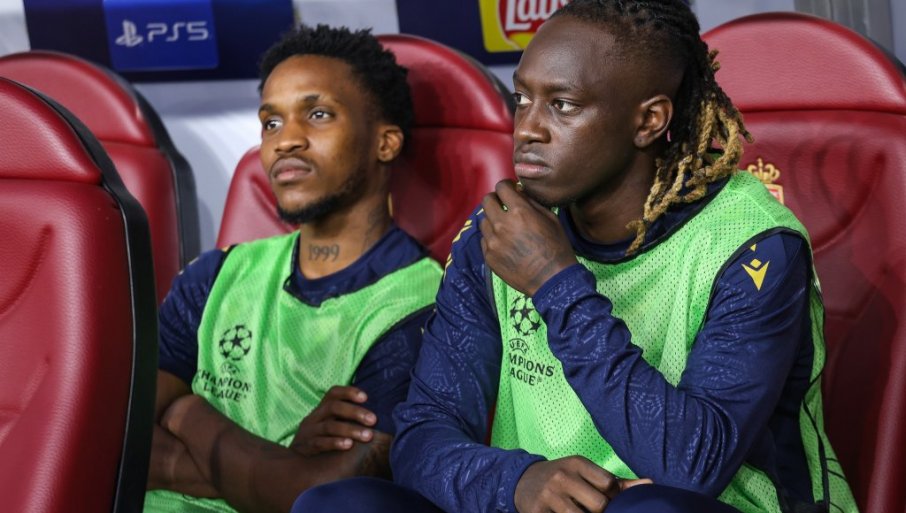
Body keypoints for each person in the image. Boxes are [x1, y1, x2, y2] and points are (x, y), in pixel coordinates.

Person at [291, 2, 859, 513]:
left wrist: (555, 283)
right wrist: (516, 481)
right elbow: (422, 436)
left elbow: (691, 466)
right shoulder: (498, 232)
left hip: (694, 506)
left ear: (649, 121)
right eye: (523, 99)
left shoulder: (752, 245)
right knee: (337, 504)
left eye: (562, 105)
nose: (528, 129)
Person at [143, 24, 442, 513]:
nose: (286, 141)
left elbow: (321, 496)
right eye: (271, 123)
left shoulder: (420, 308)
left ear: (385, 143)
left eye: (318, 114)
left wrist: (184, 412)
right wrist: (277, 464)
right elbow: (117, 439)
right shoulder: (216, 275)